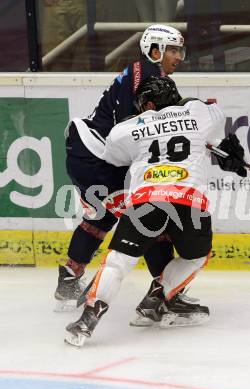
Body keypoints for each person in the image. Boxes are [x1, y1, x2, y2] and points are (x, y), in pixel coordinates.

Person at [64, 76, 247, 347]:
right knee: (196, 256)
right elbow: (214, 123)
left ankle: (86, 321)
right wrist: (229, 153)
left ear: (147, 103)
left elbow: (115, 157)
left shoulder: (125, 128)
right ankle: (157, 297)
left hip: (145, 201)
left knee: (118, 263)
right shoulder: (199, 111)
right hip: (190, 202)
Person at [54, 24, 189, 314]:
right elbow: (135, 126)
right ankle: (164, 293)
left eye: (180, 50)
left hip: (92, 157)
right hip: (96, 157)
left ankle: (69, 277)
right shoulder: (148, 74)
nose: (179, 56)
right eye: (173, 50)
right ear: (155, 50)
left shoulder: (148, 74)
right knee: (149, 217)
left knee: (103, 218)